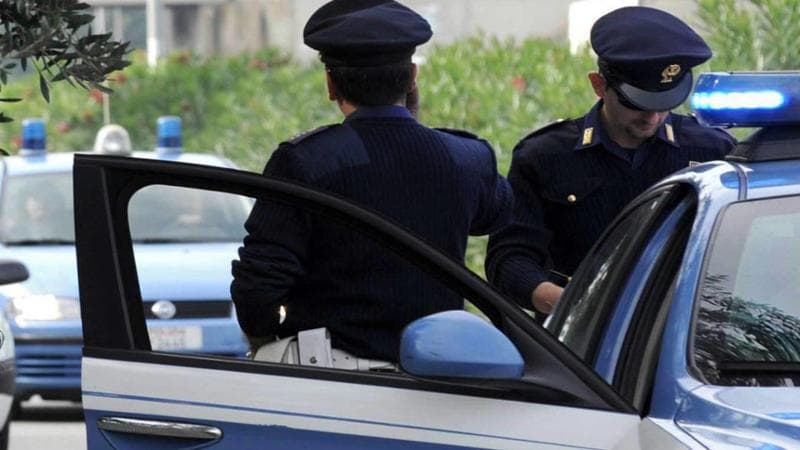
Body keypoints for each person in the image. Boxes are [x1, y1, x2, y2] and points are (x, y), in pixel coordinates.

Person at [231, 0, 512, 367]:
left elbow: (257, 288)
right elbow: (496, 216)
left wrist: (268, 339)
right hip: (438, 377)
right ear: (412, 77)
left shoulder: (305, 162)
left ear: (331, 85)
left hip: (331, 378)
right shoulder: (467, 158)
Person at [486, 6, 736, 316]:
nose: (652, 116)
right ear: (599, 85)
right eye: (637, 103)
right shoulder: (544, 157)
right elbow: (509, 259)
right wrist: (575, 309)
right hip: (574, 334)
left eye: (665, 102)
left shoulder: (712, 151)